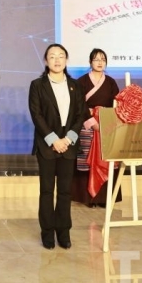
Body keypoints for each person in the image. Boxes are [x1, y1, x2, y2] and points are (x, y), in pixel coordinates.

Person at [28, 43, 88, 250]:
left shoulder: (75, 85)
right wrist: (54, 139)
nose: (57, 60)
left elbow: (80, 114)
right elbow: (36, 115)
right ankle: (47, 232)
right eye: (52, 56)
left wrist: (68, 139)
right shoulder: (37, 85)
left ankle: (64, 232)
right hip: (47, 144)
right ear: (46, 61)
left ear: (66, 60)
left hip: (69, 144)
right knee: (46, 190)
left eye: (61, 56)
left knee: (65, 191)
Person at [72, 48, 121, 207]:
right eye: (96, 59)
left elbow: (116, 104)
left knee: (105, 159)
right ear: (90, 62)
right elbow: (78, 105)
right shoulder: (81, 81)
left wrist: (107, 122)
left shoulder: (111, 82)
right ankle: (88, 198)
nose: (100, 62)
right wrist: (92, 122)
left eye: (103, 59)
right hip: (87, 124)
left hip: (106, 125)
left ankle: (104, 198)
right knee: (86, 159)